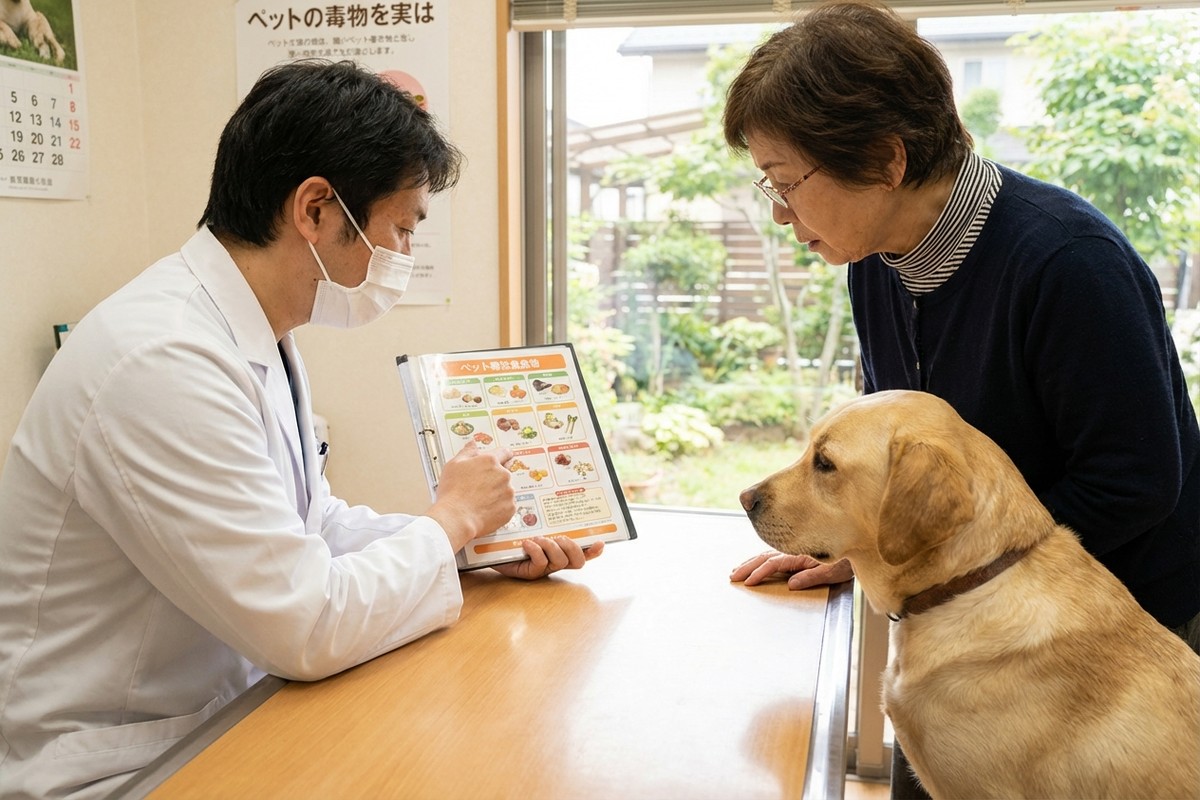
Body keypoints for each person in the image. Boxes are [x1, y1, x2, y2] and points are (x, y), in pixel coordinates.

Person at [0, 59, 601, 799]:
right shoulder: (160, 360)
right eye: (401, 229)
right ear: (316, 208)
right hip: (119, 763)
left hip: (222, 715)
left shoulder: (254, 333)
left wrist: (473, 547)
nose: (403, 257)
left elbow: (312, 524)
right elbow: (304, 624)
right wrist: (447, 524)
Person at [720, 2, 1200, 796]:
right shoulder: (876, 261)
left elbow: (1136, 482)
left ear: (885, 159)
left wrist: (918, 540)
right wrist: (850, 526)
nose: (779, 213)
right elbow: (900, 440)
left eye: (786, 182)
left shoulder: (1070, 264)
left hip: (1111, 642)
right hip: (966, 624)